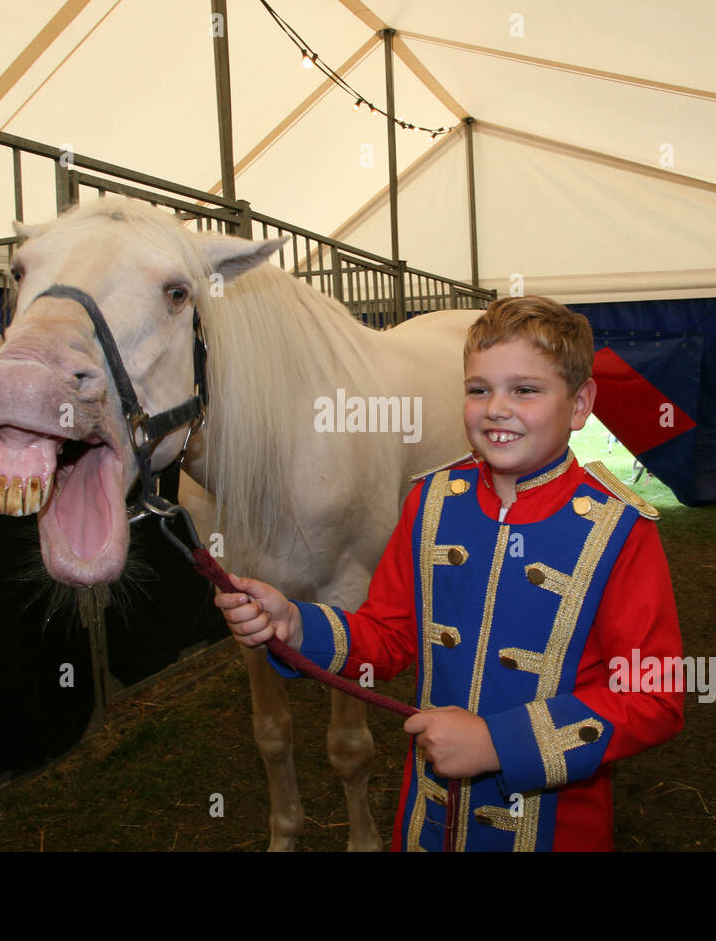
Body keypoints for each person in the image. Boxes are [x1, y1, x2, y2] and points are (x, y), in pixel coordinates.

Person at [215, 295, 684, 851]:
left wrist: (499, 744)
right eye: (478, 388)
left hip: (557, 831)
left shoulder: (619, 528)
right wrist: (296, 625)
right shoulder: (431, 500)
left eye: (525, 390)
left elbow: (653, 696)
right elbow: (388, 639)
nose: (495, 409)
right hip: (429, 826)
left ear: (580, 404)